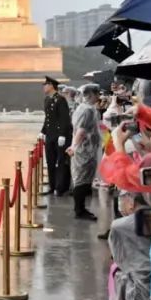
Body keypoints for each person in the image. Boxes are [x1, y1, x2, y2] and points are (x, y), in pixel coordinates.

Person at [66, 83, 102, 220]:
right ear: (91, 95)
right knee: (82, 179)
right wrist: (74, 146)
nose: (98, 96)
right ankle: (79, 210)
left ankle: (80, 208)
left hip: (85, 148)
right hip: (84, 149)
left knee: (82, 178)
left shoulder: (84, 108)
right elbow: (81, 131)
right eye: (97, 93)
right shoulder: (87, 110)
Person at [41, 75, 73, 196]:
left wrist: (63, 135)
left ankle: (60, 187)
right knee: (50, 161)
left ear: (51, 85)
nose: (43, 87)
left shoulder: (60, 99)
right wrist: (43, 131)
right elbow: (48, 118)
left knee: (60, 162)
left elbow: (64, 118)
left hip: (59, 136)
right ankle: (52, 185)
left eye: (45, 85)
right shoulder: (47, 99)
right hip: (50, 135)